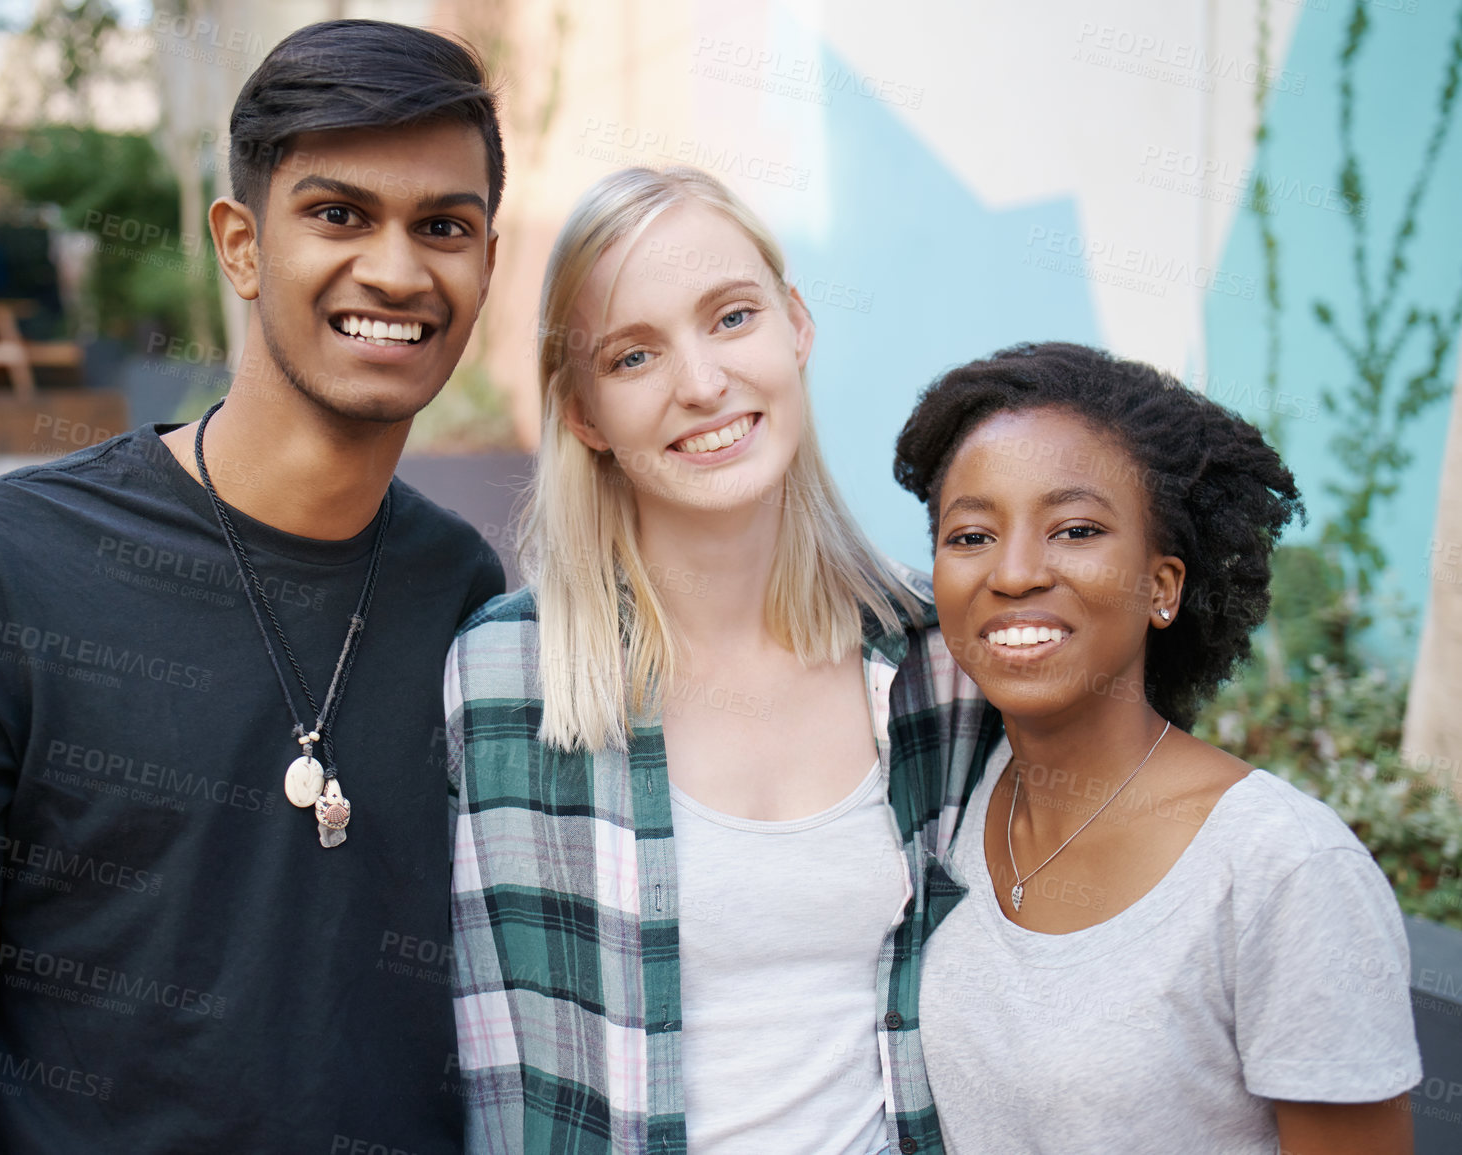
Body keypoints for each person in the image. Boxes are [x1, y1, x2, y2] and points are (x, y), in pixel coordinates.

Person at [0, 19, 506, 1153]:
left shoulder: (459, 587)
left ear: (487, 261)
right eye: (339, 214)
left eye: (443, 225)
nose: (396, 269)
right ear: (242, 247)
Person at [446, 165, 1001, 1154]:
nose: (701, 384)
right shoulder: (503, 681)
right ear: (583, 415)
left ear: (796, 325)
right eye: (633, 357)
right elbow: (462, 1048)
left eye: (732, 318)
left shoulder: (941, 662)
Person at [895, 342, 1422, 1154]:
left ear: (1162, 585)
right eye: (969, 535)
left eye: (1074, 528)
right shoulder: (956, 794)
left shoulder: (1283, 871)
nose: (1013, 571)